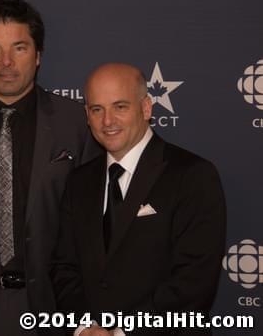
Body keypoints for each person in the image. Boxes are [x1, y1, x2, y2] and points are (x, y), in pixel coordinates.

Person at [0, 0, 100, 335]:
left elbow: (95, 226)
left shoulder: (78, 124)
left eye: (19, 48)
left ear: (38, 56)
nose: (6, 62)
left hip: (55, 306)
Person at [51, 63, 226, 336]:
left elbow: (193, 282)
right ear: (87, 115)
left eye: (120, 107)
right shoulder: (79, 181)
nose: (107, 121)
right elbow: (64, 267)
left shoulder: (193, 176)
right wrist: (85, 327)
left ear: (146, 108)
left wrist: (122, 332)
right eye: (97, 109)